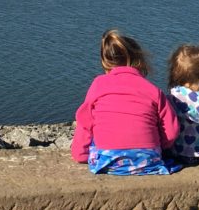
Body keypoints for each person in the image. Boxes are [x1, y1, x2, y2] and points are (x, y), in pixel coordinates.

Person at [71, 29, 182, 175]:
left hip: (107, 162)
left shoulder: (98, 85)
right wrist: (157, 145)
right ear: (139, 60)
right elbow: (171, 132)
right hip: (149, 160)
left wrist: (80, 154)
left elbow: (85, 123)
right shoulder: (152, 90)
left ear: (106, 61)